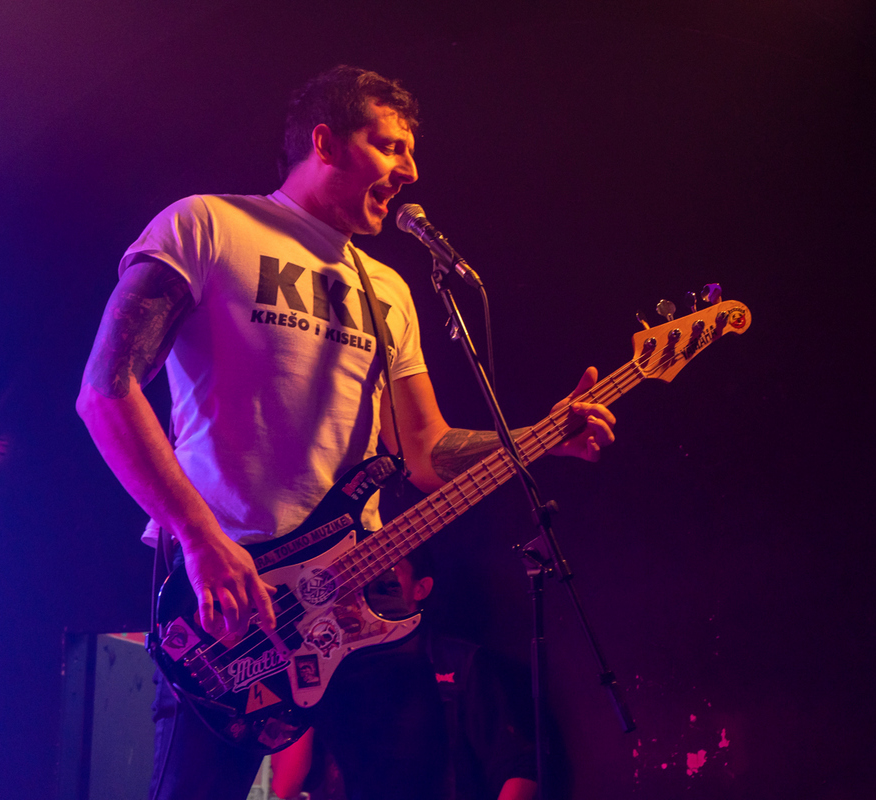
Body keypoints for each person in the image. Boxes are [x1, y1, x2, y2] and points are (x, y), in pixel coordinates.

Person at [75, 65, 614, 800]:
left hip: (361, 599)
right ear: (325, 142)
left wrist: (540, 436)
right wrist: (201, 540)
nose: (410, 170)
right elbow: (107, 391)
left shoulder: (388, 289)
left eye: (411, 152)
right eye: (390, 146)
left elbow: (425, 453)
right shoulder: (208, 225)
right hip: (232, 598)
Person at [271, 550, 539, 800]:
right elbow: (286, 785)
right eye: (364, 573)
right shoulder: (335, 667)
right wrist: (306, 687)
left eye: (388, 570)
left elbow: (520, 767)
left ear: (420, 589)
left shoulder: (460, 662)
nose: (373, 581)